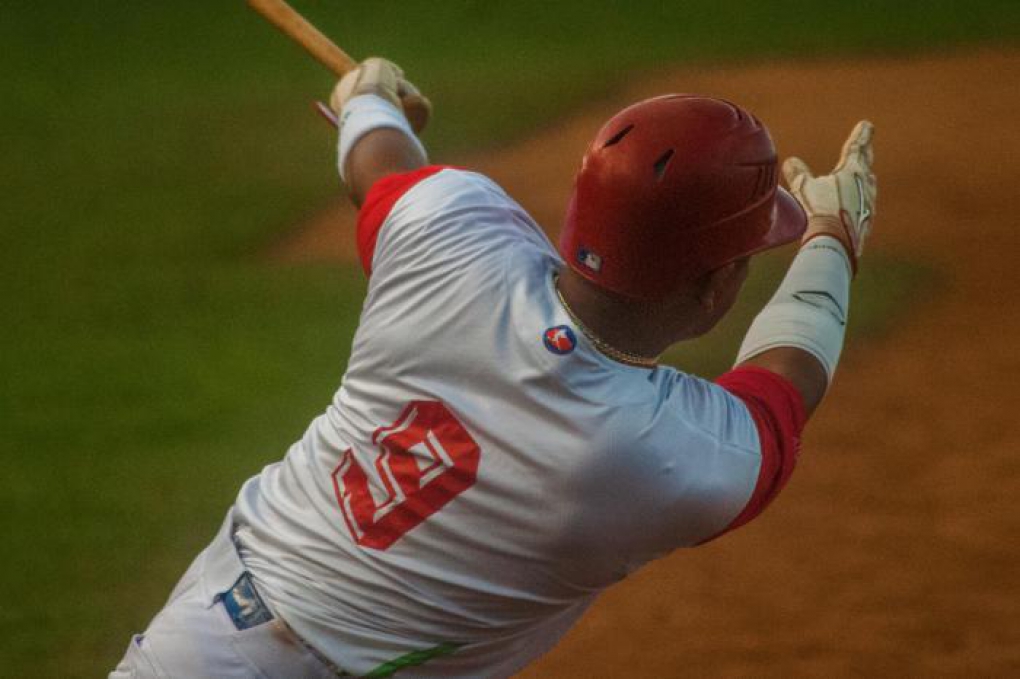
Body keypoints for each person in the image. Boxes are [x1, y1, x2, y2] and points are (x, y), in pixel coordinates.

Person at [110, 57, 876, 678]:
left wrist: (368, 95)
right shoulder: (657, 453)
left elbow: (380, 168)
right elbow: (781, 392)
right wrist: (832, 239)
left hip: (198, 631)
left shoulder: (449, 226)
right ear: (714, 284)